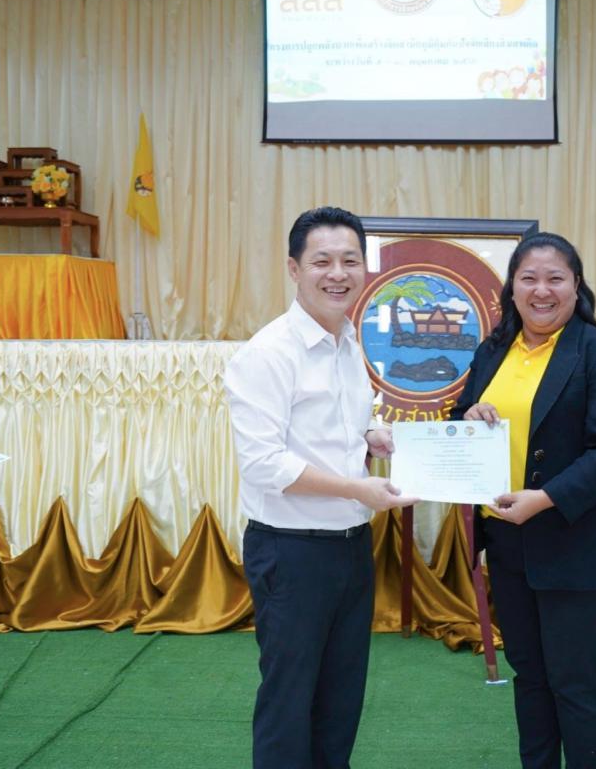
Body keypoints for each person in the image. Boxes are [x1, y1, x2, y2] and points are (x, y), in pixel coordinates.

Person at [224, 206, 417, 769]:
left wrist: (370, 435)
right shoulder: (267, 354)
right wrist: (358, 490)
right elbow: (264, 463)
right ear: (294, 269)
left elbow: (338, 423)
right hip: (291, 552)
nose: (338, 274)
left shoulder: (349, 340)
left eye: (350, 261)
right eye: (322, 262)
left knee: (340, 697)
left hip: (351, 549)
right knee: (289, 701)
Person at [450, 233, 596, 769]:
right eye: (528, 278)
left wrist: (546, 498)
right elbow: (457, 420)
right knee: (529, 675)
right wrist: (469, 417)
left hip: (574, 543)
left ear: (576, 286)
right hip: (507, 543)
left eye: (555, 278)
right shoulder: (492, 350)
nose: (541, 290)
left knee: (574, 681)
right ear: (512, 288)